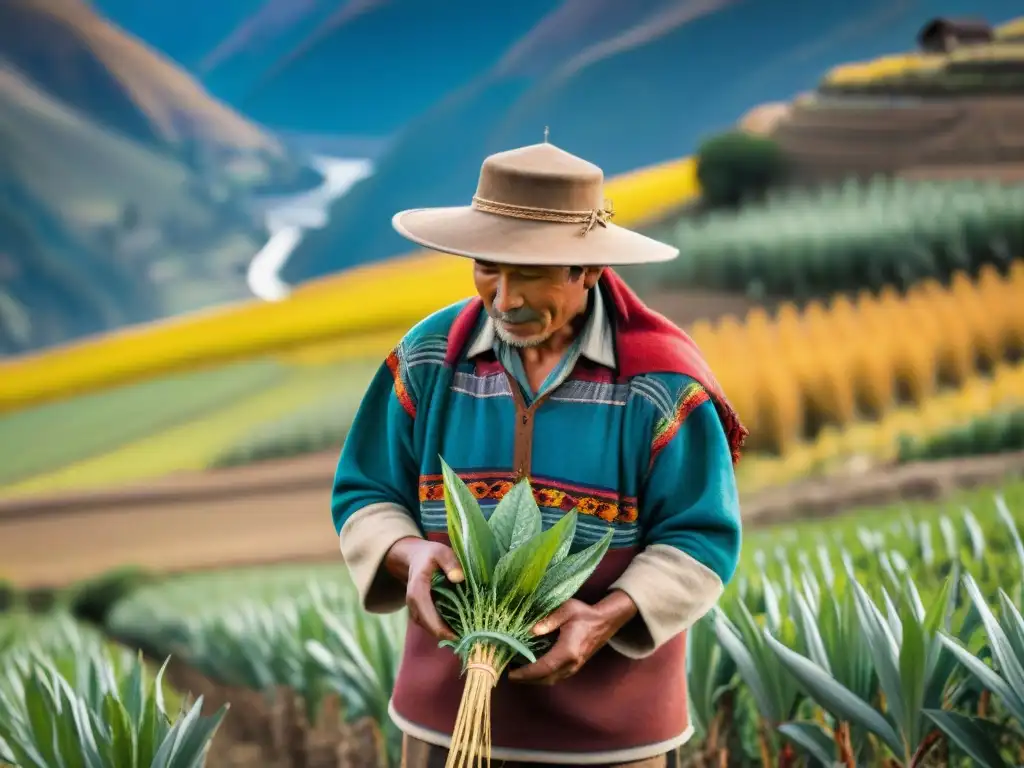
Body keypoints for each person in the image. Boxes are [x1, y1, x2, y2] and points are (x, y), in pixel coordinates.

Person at [331, 140, 747, 767]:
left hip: (612, 740)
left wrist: (608, 615)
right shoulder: (426, 359)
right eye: (487, 269)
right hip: (447, 722)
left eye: (528, 273)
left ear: (588, 271)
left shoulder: (663, 386)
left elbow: (699, 538)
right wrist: (407, 552)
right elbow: (366, 491)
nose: (503, 299)